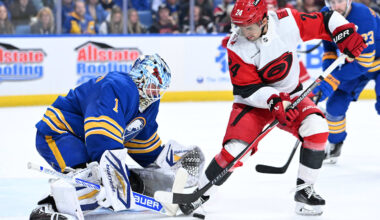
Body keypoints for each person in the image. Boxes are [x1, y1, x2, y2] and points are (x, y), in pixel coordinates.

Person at [178, 0, 366, 216]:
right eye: (240, 27)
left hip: (292, 95)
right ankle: (201, 193)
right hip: (252, 104)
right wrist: (275, 101)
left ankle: (304, 191)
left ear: (264, 20)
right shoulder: (236, 46)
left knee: (317, 126)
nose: (245, 32)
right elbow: (247, 89)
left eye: (249, 27)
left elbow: (327, 19)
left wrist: (344, 33)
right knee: (236, 150)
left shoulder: (287, 21)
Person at [29, 54, 205, 219]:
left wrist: (172, 161)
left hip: (87, 141)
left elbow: (143, 145)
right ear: (140, 77)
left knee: (126, 181)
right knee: (93, 183)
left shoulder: (149, 104)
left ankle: (88, 188)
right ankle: (47, 207)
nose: (155, 93)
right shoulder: (117, 85)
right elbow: (101, 135)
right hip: (59, 133)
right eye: (153, 85)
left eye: (160, 89)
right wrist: (111, 179)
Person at [312, 0, 380, 164]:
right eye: (331, 2)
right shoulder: (326, 14)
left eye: (340, 1)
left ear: (349, 0)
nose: (336, 7)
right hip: (355, 65)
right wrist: (328, 73)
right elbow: (329, 47)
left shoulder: (362, 15)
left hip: (373, 64)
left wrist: (334, 78)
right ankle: (335, 146)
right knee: (334, 107)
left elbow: (365, 63)